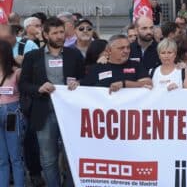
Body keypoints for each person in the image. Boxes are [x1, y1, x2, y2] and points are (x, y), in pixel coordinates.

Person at [19, 17, 85, 187]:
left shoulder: (74, 54)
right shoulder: (32, 56)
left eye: (61, 32)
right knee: (48, 159)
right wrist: (39, 88)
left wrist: (78, 83)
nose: (59, 36)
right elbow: (23, 84)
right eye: (55, 33)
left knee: (71, 156)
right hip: (44, 112)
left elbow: (85, 78)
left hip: (70, 114)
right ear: (46, 35)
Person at [81, 34, 153, 92]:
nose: (126, 51)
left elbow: (148, 83)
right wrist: (75, 85)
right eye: (121, 48)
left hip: (130, 109)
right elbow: (83, 89)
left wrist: (124, 84)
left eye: (128, 47)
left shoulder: (136, 65)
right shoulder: (97, 68)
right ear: (109, 50)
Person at [0, 40, 25, 187]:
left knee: (15, 157)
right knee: (2, 159)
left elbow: (24, 93)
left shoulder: (17, 71)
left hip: (12, 114)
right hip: (6, 112)